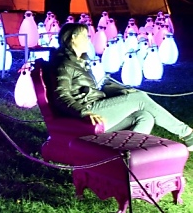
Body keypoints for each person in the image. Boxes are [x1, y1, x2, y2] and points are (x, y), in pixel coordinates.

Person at [48, 22, 193, 146]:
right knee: (140, 98)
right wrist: (83, 112)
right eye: (85, 36)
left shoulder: (79, 63)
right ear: (73, 38)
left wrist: (119, 91)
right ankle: (187, 134)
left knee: (144, 116)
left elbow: (88, 89)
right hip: (88, 111)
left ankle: (127, 152)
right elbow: (61, 96)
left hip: (96, 105)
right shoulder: (65, 64)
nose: (88, 40)